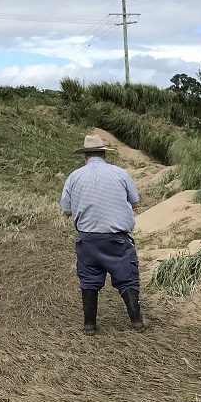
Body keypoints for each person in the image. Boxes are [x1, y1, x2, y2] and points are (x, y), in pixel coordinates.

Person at [60, 134, 146, 334]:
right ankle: (137, 322)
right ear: (104, 154)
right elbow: (134, 202)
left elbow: (66, 210)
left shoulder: (74, 176)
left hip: (87, 239)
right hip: (117, 238)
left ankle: (90, 325)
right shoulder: (120, 173)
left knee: (89, 280)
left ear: (85, 156)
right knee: (128, 279)